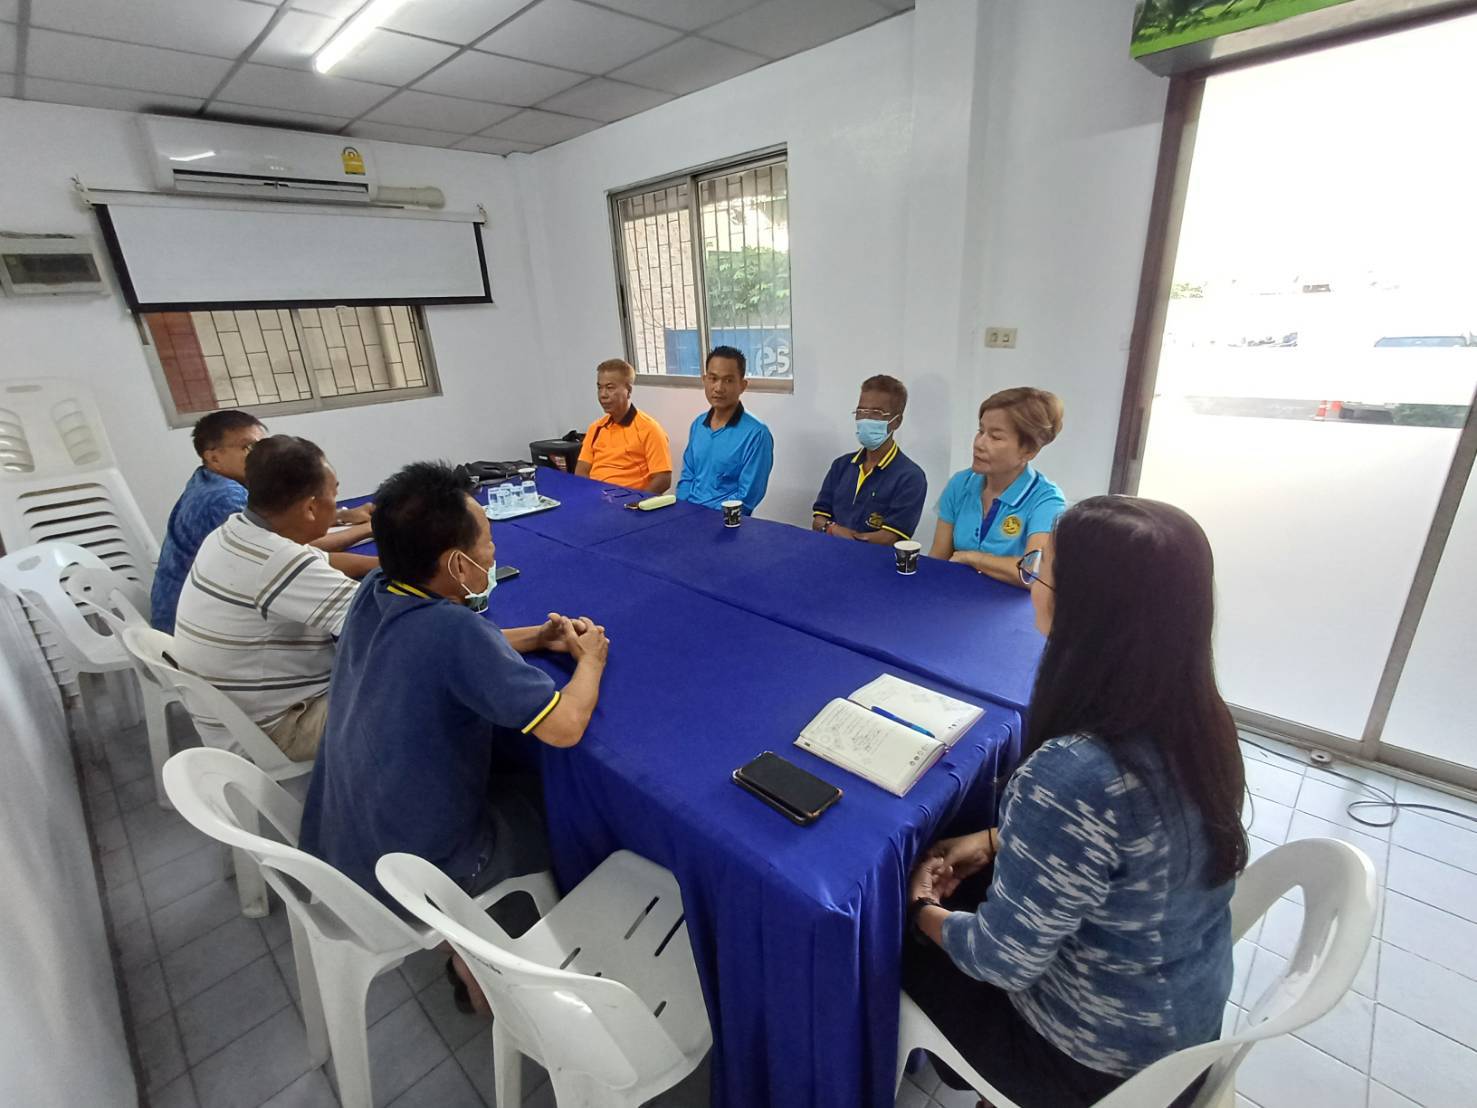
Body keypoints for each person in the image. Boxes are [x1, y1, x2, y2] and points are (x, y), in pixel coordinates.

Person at [903, 496, 1247, 1108]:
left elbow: (999, 960)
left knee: (889, 945)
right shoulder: (1200, 721)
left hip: (1088, 1064)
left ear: (1087, 611)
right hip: (1181, 1028)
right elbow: (1126, 844)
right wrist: (992, 841)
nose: (1033, 584)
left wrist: (918, 908)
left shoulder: (1076, 772)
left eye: (1041, 573)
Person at [299, 460, 609, 1009]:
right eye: (487, 543)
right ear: (457, 565)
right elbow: (564, 727)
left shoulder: (377, 588)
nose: (494, 554)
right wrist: (591, 661)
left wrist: (537, 638)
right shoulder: (451, 631)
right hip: (412, 868)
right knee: (556, 808)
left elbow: (465, 649)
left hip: (342, 839)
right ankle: (486, 960)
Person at [171, 436, 373, 761]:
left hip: (233, 716)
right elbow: (384, 622)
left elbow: (320, 561)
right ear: (310, 507)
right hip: (278, 728)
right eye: (334, 494)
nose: (338, 505)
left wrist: (390, 565)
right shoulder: (278, 563)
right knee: (418, 692)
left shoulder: (233, 532)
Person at [150, 409, 375, 632]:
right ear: (214, 457)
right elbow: (375, 620)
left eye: (263, 445)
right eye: (249, 447)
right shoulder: (227, 498)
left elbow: (291, 531)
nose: (262, 455)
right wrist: (368, 529)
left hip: (201, 623)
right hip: (180, 624)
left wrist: (342, 516)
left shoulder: (231, 518)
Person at [929, 387, 1066, 587]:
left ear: (1029, 451)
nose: (979, 443)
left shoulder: (1046, 499)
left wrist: (972, 558)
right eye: (980, 431)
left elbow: (1032, 573)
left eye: (995, 437)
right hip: (955, 597)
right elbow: (938, 557)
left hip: (1009, 612)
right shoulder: (960, 483)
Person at [811, 374, 927, 544]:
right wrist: (833, 528)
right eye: (861, 412)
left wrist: (848, 538)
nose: (865, 420)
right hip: (830, 554)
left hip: (876, 564)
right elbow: (818, 518)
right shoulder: (841, 465)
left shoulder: (910, 477)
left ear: (896, 422)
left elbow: (889, 537)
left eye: (876, 413)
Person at [675, 345, 774, 515]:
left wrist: (706, 517)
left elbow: (747, 497)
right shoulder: (698, 425)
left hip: (725, 522)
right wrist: (684, 511)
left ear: (742, 385)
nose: (718, 388)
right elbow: (687, 476)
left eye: (728, 380)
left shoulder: (757, 434)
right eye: (713, 379)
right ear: (704, 380)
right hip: (688, 515)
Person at [574, 358, 673, 494]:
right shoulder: (596, 428)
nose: (603, 395)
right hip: (597, 500)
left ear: (628, 390)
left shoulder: (649, 429)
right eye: (599, 387)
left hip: (630, 504)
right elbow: (581, 470)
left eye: (610, 388)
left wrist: (636, 503)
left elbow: (663, 479)